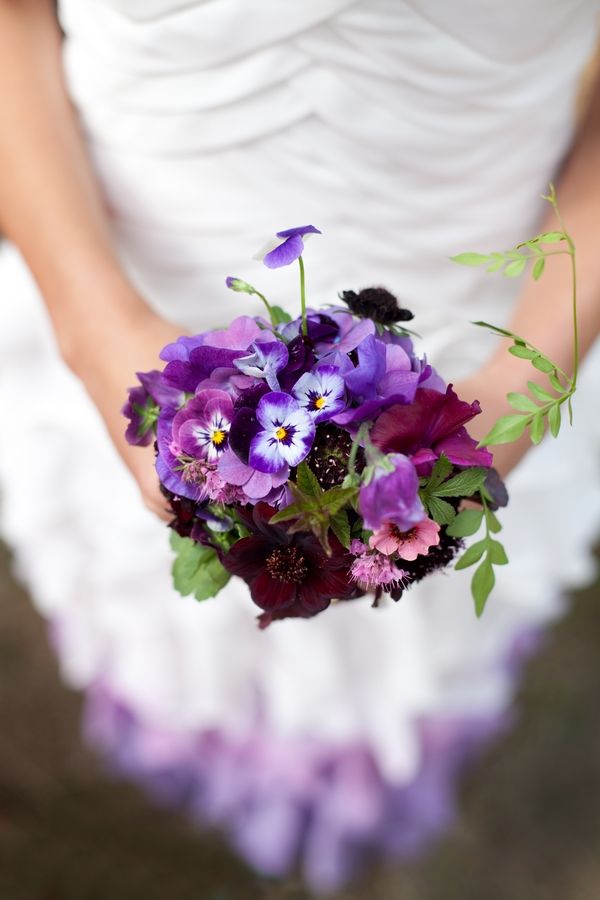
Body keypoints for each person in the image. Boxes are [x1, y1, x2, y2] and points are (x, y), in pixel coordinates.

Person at [0, 0, 599, 892]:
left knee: (410, 660)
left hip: (483, 326)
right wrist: (97, 333)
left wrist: (515, 394)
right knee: (166, 635)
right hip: (121, 284)